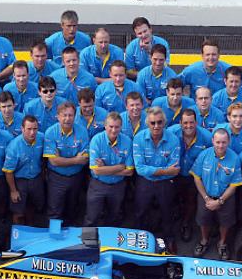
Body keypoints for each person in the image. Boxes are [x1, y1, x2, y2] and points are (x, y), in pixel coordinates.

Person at [132, 107, 181, 253]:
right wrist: (165, 171)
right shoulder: (139, 138)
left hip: (165, 183)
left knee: (167, 212)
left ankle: (169, 239)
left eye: (160, 122)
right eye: (153, 123)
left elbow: (175, 170)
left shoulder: (173, 139)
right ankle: (137, 239)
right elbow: (140, 169)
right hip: (145, 182)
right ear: (147, 123)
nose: (156, 126)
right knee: (140, 212)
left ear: (165, 123)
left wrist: (155, 171)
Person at [191, 129, 242, 260]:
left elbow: (234, 184)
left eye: (224, 142)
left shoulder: (235, 159)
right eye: (218, 142)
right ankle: (204, 241)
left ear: (228, 142)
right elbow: (197, 178)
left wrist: (220, 201)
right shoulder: (203, 155)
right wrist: (206, 198)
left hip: (226, 198)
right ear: (213, 141)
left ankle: (222, 243)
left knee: (225, 222)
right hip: (205, 197)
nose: (220, 145)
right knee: (204, 220)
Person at [168, 109, 212, 242]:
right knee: (169, 197)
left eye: (191, 122)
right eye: (185, 123)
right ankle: (171, 217)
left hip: (194, 176)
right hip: (174, 173)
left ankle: (186, 223)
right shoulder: (171, 133)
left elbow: (213, 154)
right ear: (180, 123)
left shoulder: (207, 137)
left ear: (196, 122)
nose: (188, 126)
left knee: (191, 199)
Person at [84, 111, 134, 227]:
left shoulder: (127, 141)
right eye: (111, 126)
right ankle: (86, 244)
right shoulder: (96, 140)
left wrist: (104, 168)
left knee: (113, 217)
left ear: (121, 127)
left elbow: (130, 171)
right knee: (92, 217)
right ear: (105, 126)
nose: (113, 130)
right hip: (98, 185)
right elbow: (96, 171)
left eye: (117, 127)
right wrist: (120, 167)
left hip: (118, 186)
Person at [44, 102, 90, 224]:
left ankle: (70, 237)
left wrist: (62, 160)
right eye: (64, 115)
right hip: (57, 178)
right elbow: (54, 161)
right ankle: (53, 239)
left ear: (75, 116)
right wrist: (76, 160)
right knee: (55, 210)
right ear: (58, 116)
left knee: (72, 208)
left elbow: (84, 160)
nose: (67, 119)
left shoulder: (82, 131)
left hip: (76, 177)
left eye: (70, 115)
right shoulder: (50, 132)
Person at [3, 115, 46, 226]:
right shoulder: (13, 147)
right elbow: (8, 172)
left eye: (35, 129)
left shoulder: (42, 138)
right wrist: (13, 191)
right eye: (29, 129)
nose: (32, 132)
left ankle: (30, 227)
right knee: (18, 212)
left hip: (36, 178)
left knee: (33, 206)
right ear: (22, 129)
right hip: (20, 181)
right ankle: (18, 231)